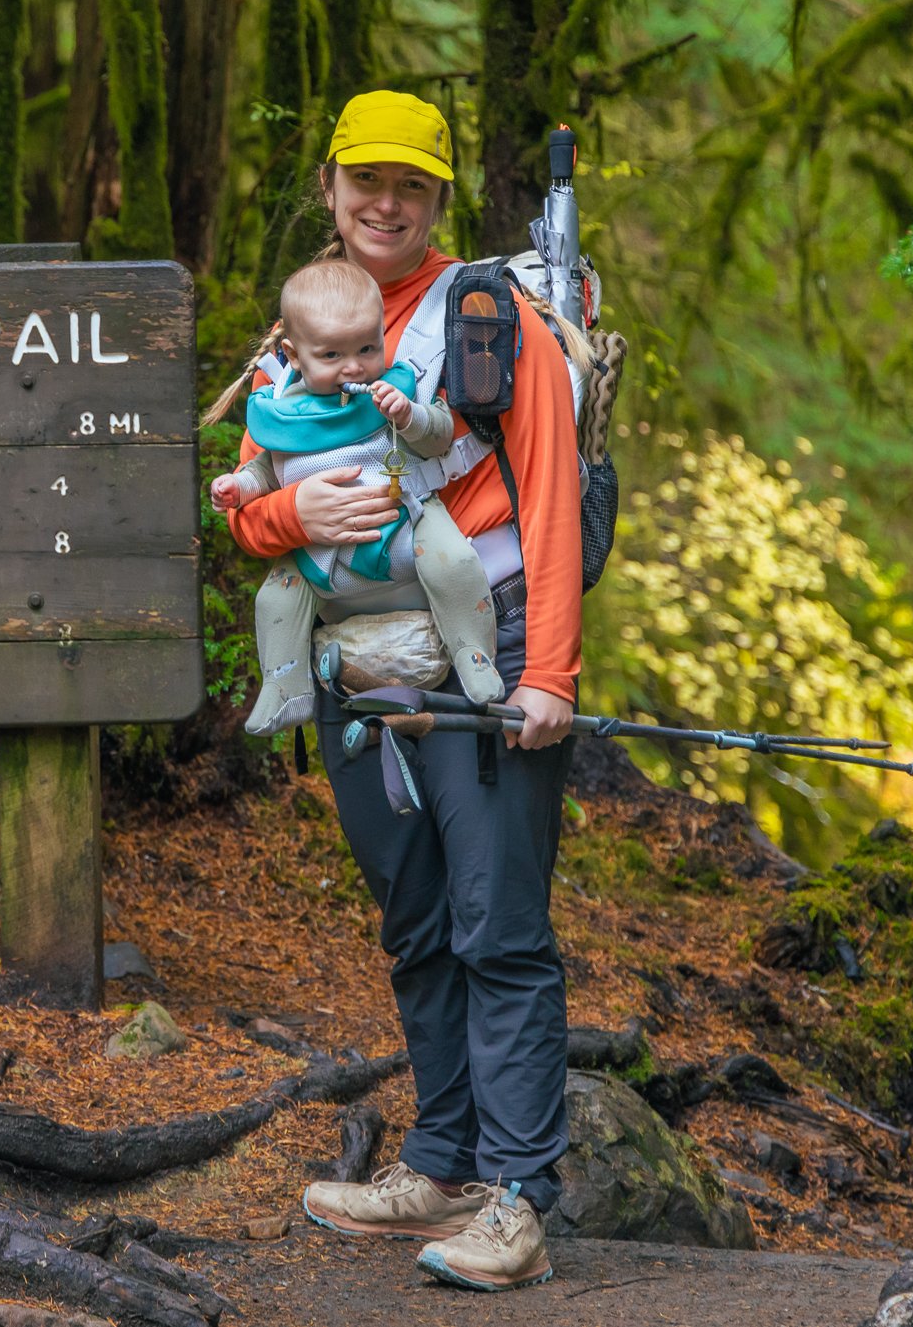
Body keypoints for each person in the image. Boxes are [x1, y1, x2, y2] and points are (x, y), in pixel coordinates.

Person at [222, 90, 583, 1293]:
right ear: (329, 185)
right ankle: (438, 1161)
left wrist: (548, 676)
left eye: (411, 186)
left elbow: (548, 490)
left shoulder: (490, 319)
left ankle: (519, 1194)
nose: (385, 203)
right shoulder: (300, 333)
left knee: (498, 919)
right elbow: (255, 514)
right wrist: (287, 513)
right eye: (365, 180)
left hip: (486, 635)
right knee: (418, 912)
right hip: (349, 653)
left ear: (438, 202)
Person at [203, 258, 505, 736]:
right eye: (331, 355)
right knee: (274, 601)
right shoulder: (284, 412)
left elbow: (440, 437)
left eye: (368, 347)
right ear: (294, 354)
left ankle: (473, 651)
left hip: (404, 522)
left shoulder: (391, 391)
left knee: (454, 562)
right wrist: (237, 488)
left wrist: (410, 417)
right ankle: (285, 685)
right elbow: (265, 469)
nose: (353, 367)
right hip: (322, 553)